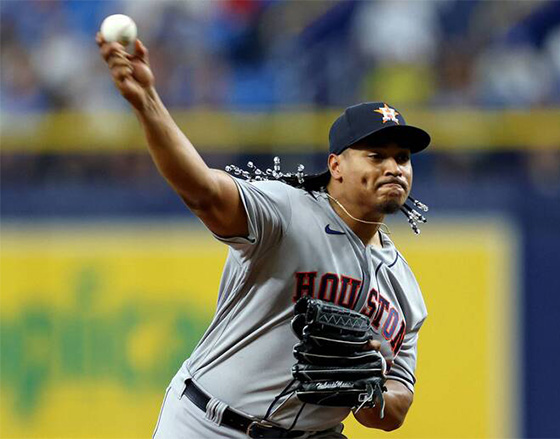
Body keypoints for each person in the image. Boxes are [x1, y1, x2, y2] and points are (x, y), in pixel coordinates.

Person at [97, 34, 430, 439]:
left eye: (402, 158)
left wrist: (370, 387)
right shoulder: (287, 211)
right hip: (210, 424)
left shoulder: (404, 290)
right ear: (336, 166)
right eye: (376, 156)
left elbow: (394, 411)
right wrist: (147, 101)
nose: (394, 167)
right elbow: (202, 191)